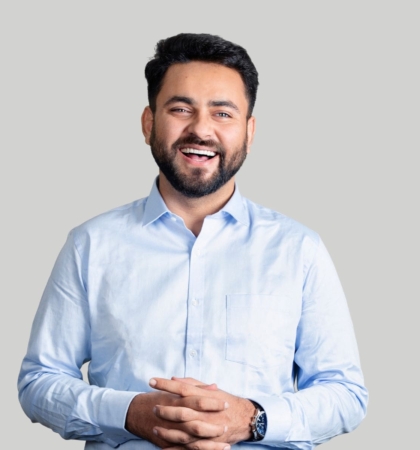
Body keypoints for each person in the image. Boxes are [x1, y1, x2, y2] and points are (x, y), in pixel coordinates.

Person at [18, 33, 368, 450]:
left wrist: (252, 419)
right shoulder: (91, 244)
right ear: (149, 123)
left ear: (249, 132)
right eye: (181, 109)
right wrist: (129, 414)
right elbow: (39, 382)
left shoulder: (299, 250)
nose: (201, 130)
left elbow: (345, 394)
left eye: (223, 113)